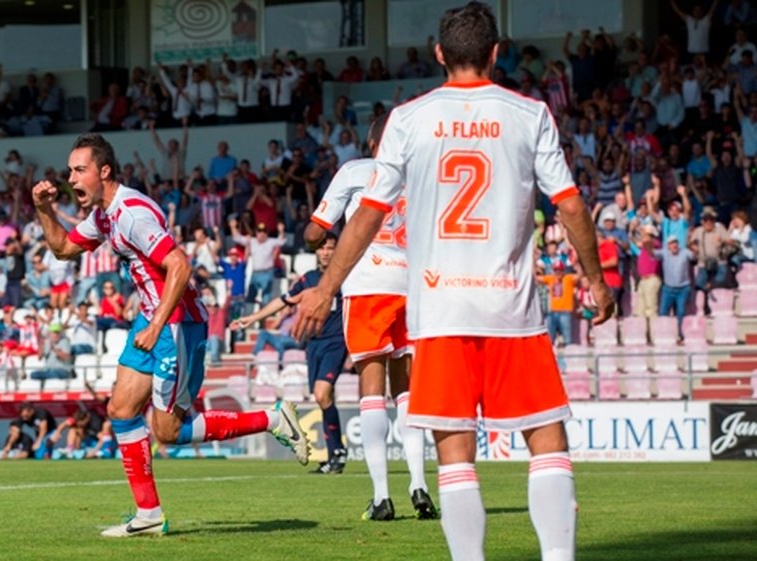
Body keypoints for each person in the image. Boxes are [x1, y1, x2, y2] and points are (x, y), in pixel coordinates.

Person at [291, 4, 614, 559]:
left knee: (456, 454)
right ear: (495, 52)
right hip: (511, 310)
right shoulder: (529, 112)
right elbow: (572, 206)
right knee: (549, 444)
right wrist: (596, 280)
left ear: (439, 54)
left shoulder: (409, 119)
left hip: (439, 313)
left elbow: (368, 213)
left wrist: (326, 288)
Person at [31, 133, 310, 537]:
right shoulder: (104, 214)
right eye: (69, 170)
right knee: (122, 409)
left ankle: (271, 419)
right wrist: (43, 209)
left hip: (176, 323)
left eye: (80, 170)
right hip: (153, 319)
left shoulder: (130, 213)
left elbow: (179, 265)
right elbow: (61, 249)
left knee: (169, 432)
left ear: (103, 171)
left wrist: (158, 325)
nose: (71, 178)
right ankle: (148, 515)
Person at [303, 114, 437, 520]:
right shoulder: (421, 177)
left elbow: (315, 231)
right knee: (408, 393)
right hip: (411, 287)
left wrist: (319, 234)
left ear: (373, 141)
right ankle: (420, 486)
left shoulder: (358, 170)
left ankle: (382, 496)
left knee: (372, 389)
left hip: (369, 283)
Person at [232, 233, 347, 475]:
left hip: (336, 342)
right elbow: (283, 301)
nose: (326, 252)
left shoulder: (345, 278)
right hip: (313, 344)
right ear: (316, 251)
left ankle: (338, 452)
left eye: (330, 248)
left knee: (322, 393)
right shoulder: (308, 279)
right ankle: (333, 455)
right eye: (322, 248)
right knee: (322, 398)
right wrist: (253, 318)